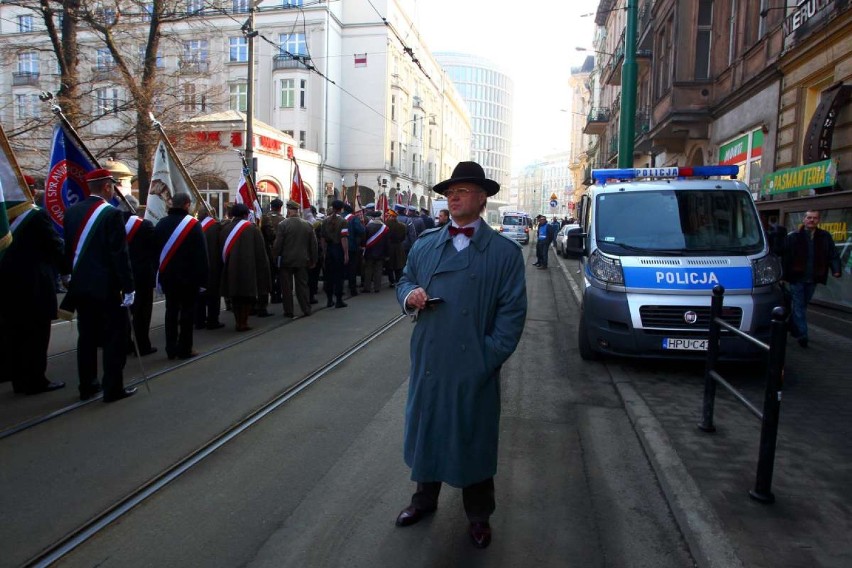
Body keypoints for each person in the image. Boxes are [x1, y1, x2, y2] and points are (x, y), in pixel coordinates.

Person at [394, 161, 527, 549]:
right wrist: (409, 297)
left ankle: (479, 516)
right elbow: (404, 279)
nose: (453, 196)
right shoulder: (426, 244)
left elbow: (512, 314)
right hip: (431, 361)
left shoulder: (504, 254)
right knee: (429, 430)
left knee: (473, 438)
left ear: (482, 198)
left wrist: (486, 359)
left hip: (474, 366)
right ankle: (424, 501)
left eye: (463, 190)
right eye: (450, 192)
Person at [62, 169, 136, 402]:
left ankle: (87, 385)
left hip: (81, 286)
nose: (113, 189)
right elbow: (119, 255)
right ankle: (113, 388)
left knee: (87, 337)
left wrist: (67, 275)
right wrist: (129, 287)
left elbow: (68, 250)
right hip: (107, 288)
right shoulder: (112, 214)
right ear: (106, 187)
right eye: (112, 186)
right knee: (114, 337)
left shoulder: (71, 213)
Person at [0, 196, 69, 395]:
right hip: (34, 285)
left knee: (13, 334)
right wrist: (66, 271)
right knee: (36, 335)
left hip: (6, 286)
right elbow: (54, 245)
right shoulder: (36, 216)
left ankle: (18, 380)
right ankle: (36, 380)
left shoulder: (3, 216)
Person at [154, 193, 208, 359]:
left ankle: (170, 348)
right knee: (187, 313)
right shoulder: (193, 224)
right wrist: (203, 278)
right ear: (186, 205)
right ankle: (185, 348)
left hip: (168, 276)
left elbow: (154, 250)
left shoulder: (161, 223)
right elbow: (201, 253)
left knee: (171, 312)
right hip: (188, 278)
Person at [782, 209, 841, 348]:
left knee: (802, 305)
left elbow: (832, 254)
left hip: (813, 277)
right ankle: (803, 335)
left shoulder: (824, 236)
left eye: (814, 218)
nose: (811, 220)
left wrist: (836, 269)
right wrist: (783, 275)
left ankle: (791, 326)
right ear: (804, 219)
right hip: (797, 277)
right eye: (809, 217)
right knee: (799, 306)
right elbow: (785, 257)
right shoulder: (794, 236)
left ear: (818, 220)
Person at [220, 203, 271, 331]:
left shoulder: (225, 228)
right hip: (249, 268)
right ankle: (243, 322)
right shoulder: (252, 229)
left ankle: (238, 321)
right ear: (245, 215)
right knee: (247, 297)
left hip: (230, 268)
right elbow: (260, 252)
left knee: (235, 297)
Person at [271, 200, 318, 318]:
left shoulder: (283, 224)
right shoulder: (307, 224)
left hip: (286, 261)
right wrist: (314, 259)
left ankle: (289, 311)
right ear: (297, 210)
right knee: (302, 286)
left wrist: (274, 257)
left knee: (286, 288)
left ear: (288, 210)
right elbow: (314, 244)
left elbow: (278, 244)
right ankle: (306, 309)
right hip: (303, 260)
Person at [122, 203, 158, 356]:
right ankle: (142, 345)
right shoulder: (145, 226)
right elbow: (155, 248)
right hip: (142, 276)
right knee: (142, 313)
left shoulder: (115, 224)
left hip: (122, 275)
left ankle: (126, 344)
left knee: (124, 312)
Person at [195, 209, 226, 329]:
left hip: (198, 265)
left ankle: (199, 320)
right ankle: (213, 320)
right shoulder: (216, 227)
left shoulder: (196, 226)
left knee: (200, 295)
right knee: (213, 295)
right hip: (214, 265)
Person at [320, 199, 350, 308]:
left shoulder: (325, 221)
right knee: (339, 276)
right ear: (341, 208)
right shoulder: (343, 221)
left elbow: (322, 238)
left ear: (332, 208)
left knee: (328, 276)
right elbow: (344, 239)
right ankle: (338, 300)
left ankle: (329, 300)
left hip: (329, 249)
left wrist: (324, 252)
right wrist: (346, 253)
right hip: (338, 250)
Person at [260, 198, 285, 307]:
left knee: (269, 274)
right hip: (278, 251)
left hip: (266, 249)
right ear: (280, 207)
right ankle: (277, 295)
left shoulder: (264, 218)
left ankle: (269, 293)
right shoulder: (283, 220)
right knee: (279, 274)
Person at [362, 210, 389, 293]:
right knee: (378, 270)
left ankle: (367, 288)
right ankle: (377, 288)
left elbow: (364, 240)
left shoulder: (368, 227)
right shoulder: (385, 228)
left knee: (368, 270)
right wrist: (387, 254)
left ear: (373, 217)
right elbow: (387, 243)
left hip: (369, 251)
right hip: (381, 252)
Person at [342, 203, 365, 297]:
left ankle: (338, 289)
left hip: (337, 247)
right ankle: (352, 289)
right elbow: (361, 230)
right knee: (352, 269)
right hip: (351, 246)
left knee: (340, 269)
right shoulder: (353, 218)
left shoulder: (336, 217)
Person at [384, 208, 407, 288]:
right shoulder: (402, 226)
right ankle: (398, 280)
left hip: (389, 247)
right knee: (399, 265)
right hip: (399, 247)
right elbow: (404, 237)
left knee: (389, 265)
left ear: (391, 216)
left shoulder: (385, 225)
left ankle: (392, 281)